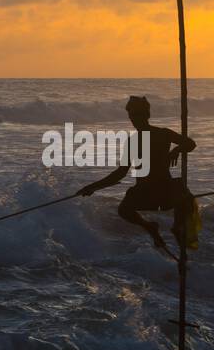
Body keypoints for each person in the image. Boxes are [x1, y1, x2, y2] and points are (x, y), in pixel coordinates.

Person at [78, 96, 198, 256]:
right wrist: (93, 187)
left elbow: (190, 143)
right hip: (145, 190)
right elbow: (120, 173)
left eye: (137, 115)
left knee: (185, 198)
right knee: (124, 210)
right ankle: (149, 227)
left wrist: (176, 150)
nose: (134, 120)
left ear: (146, 115)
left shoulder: (163, 133)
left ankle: (177, 227)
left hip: (165, 187)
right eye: (131, 116)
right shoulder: (132, 142)